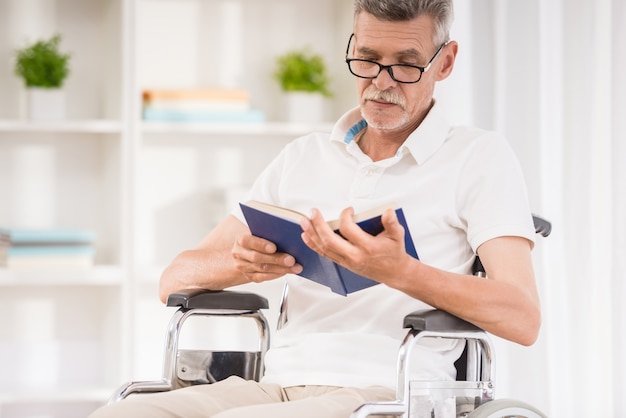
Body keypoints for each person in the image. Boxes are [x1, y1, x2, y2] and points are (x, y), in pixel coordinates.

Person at [90, 0, 540, 417]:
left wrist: (401, 272)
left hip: (389, 391)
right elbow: (174, 281)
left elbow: (523, 317)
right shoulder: (302, 158)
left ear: (444, 62)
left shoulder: (477, 156)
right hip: (278, 385)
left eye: (405, 64)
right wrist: (244, 264)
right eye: (366, 59)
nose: (381, 81)